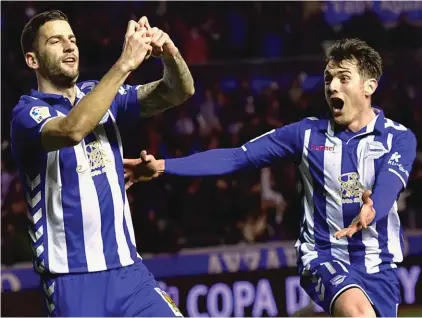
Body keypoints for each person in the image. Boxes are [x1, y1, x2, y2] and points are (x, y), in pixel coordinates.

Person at [123, 38, 417, 317]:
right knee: (359, 314)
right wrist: (162, 166)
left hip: (380, 267)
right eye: (328, 79)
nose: (332, 86)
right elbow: (237, 157)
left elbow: (391, 181)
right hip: (324, 256)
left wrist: (373, 207)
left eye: (343, 78)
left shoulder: (399, 138)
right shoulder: (306, 135)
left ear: (369, 86)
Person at [10, 10, 194, 317]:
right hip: (73, 282)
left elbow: (179, 90)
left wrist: (170, 54)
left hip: (130, 273)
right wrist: (125, 63)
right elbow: (72, 129)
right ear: (33, 60)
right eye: (56, 41)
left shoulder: (99, 94)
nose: (69, 47)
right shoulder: (27, 113)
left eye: (72, 39)